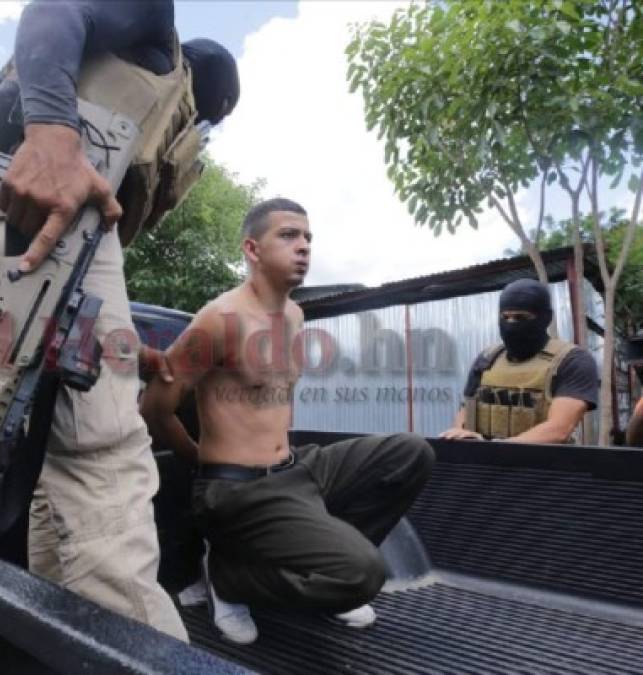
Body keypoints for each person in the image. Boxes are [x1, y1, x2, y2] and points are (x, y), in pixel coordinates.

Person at [0, 0, 239, 643]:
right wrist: (51, 133)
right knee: (107, 456)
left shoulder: (125, 90)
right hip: (50, 235)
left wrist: (124, 350)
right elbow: (52, 12)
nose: (199, 128)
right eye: (210, 117)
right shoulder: (154, 24)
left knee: (56, 465)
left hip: (33, 235)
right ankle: (146, 653)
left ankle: (56, 635)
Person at [139, 198, 435, 644]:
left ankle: (326, 572)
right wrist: (200, 461)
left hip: (295, 470)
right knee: (364, 574)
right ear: (253, 249)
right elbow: (154, 407)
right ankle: (228, 577)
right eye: (288, 235)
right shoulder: (219, 319)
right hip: (238, 489)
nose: (304, 247)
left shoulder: (295, 315)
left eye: (308, 237)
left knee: (411, 453)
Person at [440, 279, 599, 444]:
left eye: (520, 317)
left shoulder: (572, 361)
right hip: (484, 462)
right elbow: (467, 409)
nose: (510, 324)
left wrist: (497, 448)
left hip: (545, 465)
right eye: (505, 317)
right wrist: (462, 434)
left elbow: (559, 429)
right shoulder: (488, 358)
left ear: (546, 318)